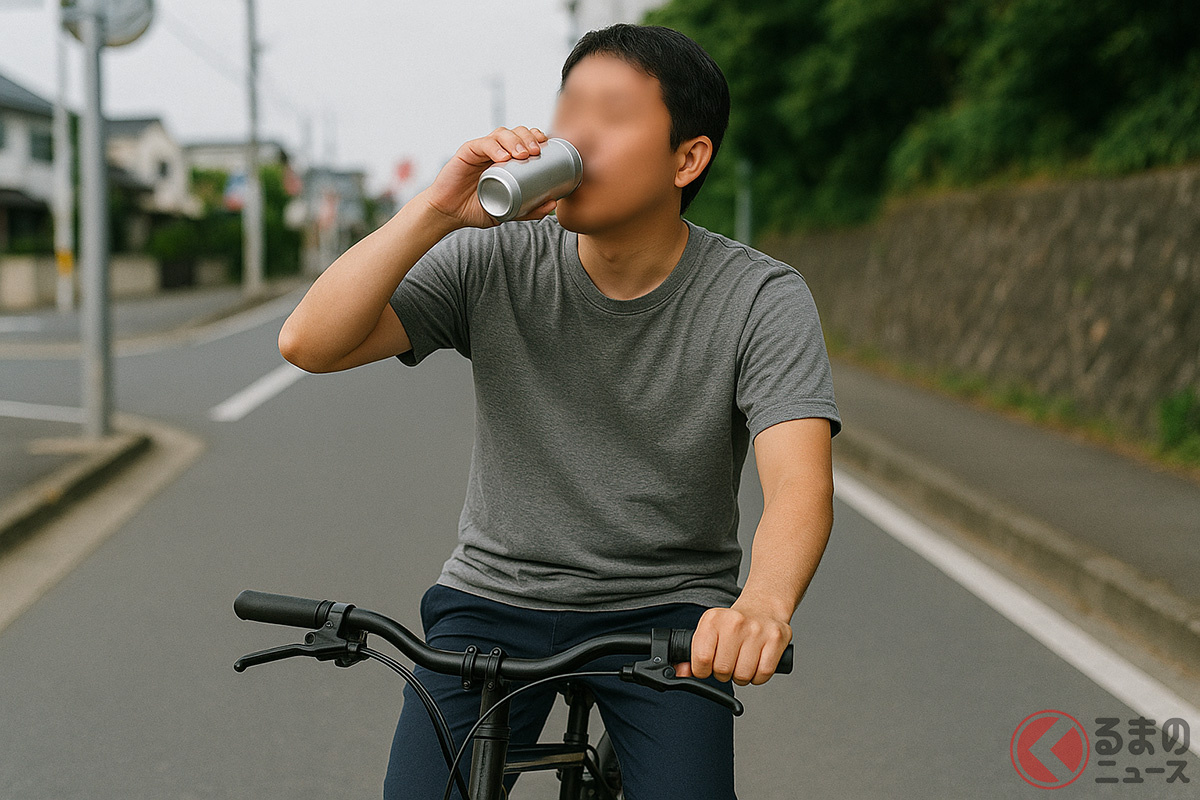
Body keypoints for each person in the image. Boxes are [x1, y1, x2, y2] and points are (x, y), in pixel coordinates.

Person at [279, 23, 841, 800]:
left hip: (667, 612)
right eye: (567, 109)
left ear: (689, 157)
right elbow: (310, 342)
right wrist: (438, 210)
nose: (575, 134)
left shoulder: (759, 298)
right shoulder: (496, 257)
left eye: (610, 113)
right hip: (493, 599)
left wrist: (762, 607)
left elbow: (800, 484)